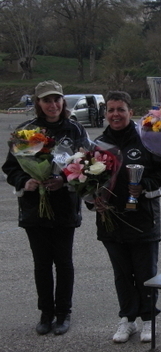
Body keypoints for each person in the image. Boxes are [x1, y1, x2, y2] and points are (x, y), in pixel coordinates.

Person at [2, 80, 88, 336]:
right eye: (47, 100)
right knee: (41, 263)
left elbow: (86, 161)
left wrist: (63, 179)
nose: (53, 105)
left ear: (63, 102)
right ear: (38, 103)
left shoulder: (74, 129)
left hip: (63, 205)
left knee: (63, 262)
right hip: (34, 207)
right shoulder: (25, 131)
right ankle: (45, 312)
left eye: (57, 100)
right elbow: (11, 167)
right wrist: (25, 180)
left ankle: (63, 312)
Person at [94, 91, 161, 344]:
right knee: (121, 273)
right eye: (111, 110)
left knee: (145, 272)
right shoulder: (98, 144)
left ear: (130, 112)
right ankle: (127, 320)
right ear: (106, 113)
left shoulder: (148, 139)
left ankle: (149, 319)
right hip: (111, 221)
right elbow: (85, 179)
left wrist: (145, 186)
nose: (115, 114)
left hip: (143, 220)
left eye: (121, 109)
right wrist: (93, 200)